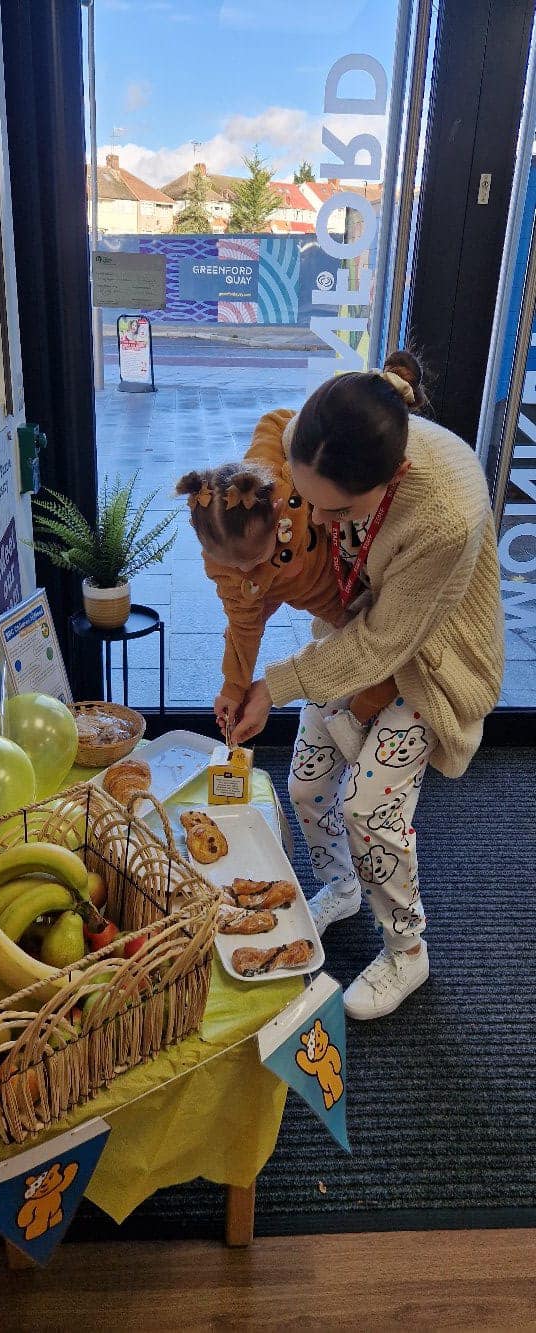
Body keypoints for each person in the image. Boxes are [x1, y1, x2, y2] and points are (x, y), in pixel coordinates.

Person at [229, 351, 504, 1020]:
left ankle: (408, 950)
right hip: (356, 632)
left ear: (392, 479)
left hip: (431, 662)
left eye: (338, 510)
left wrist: (275, 684)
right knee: (305, 782)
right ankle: (342, 886)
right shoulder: (315, 433)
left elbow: (387, 644)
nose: (322, 522)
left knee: (368, 807)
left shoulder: (446, 512)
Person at [175, 417, 396, 760]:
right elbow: (244, 627)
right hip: (333, 605)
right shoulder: (225, 571)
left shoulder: (269, 475)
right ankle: (359, 717)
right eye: (233, 565)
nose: (245, 571)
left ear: (277, 512)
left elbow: (276, 420)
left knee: (392, 640)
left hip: (362, 554)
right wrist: (233, 688)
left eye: (255, 559)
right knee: (371, 656)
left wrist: (313, 440)